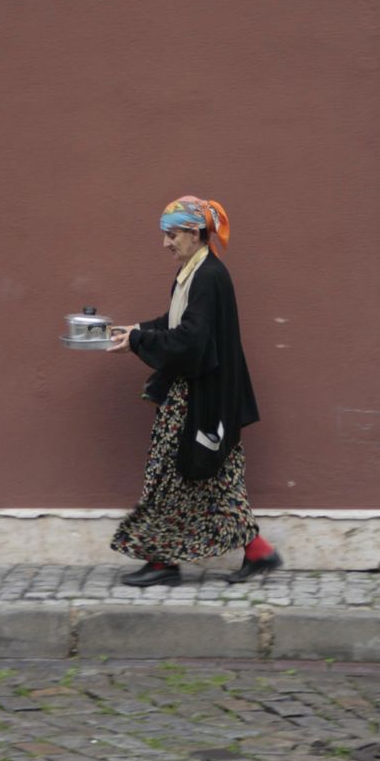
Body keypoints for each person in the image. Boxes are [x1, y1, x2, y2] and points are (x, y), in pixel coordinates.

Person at [107, 195, 282, 587]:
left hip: (199, 400)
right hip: (208, 397)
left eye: (171, 235)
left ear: (193, 232)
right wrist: (134, 331)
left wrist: (139, 341)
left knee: (170, 474)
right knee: (213, 479)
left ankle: (161, 564)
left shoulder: (208, 277)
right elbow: (175, 323)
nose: (165, 243)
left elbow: (190, 341)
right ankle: (257, 552)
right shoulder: (194, 272)